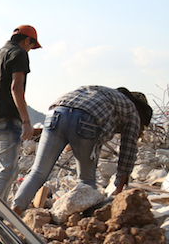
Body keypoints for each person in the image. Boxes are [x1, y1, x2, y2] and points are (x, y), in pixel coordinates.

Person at [11, 86, 153, 214]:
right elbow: (127, 152)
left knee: (37, 172)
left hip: (56, 113)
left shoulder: (104, 93)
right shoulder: (132, 111)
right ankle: (85, 222)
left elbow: (73, 116)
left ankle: (14, 212)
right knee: (86, 182)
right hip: (86, 120)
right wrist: (118, 190)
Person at [0, 25, 41, 202]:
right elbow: (16, 88)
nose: (30, 50)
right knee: (7, 170)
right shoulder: (19, 54)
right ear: (27, 40)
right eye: (32, 45)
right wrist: (26, 121)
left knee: (9, 170)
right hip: (7, 120)